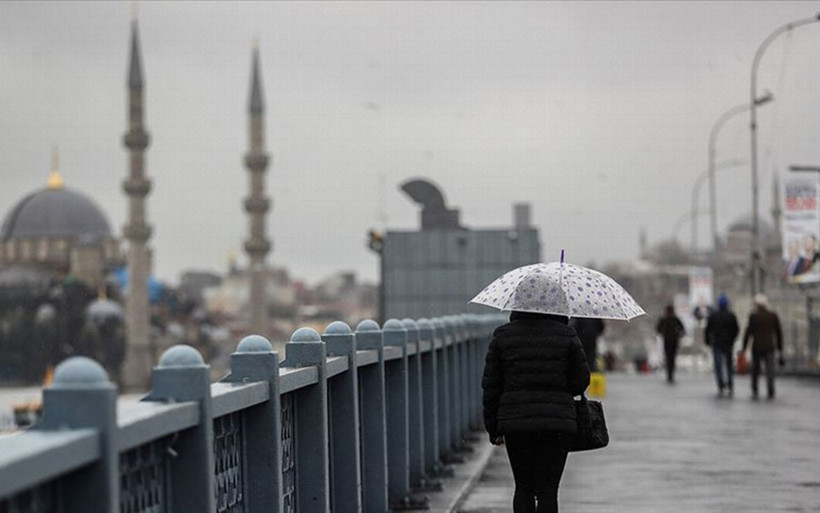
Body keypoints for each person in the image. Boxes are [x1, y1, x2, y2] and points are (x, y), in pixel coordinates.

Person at [482, 311, 590, 513]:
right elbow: (581, 380)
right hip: (557, 423)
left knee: (523, 487)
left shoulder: (503, 336)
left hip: (516, 423)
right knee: (549, 490)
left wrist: (493, 429)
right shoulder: (566, 334)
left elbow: (491, 387)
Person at [742, 294, 784, 399]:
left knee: (755, 369)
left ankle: (755, 389)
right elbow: (778, 333)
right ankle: (770, 389)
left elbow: (748, 333)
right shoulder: (773, 316)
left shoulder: (753, 316)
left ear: (757, 305)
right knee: (770, 369)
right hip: (769, 346)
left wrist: (744, 347)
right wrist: (780, 348)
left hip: (757, 346)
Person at [705, 294, 739, 397]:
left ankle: (721, 384)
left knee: (718, 365)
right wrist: (732, 339)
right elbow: (736, 329)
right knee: (729, 365)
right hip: (728, 343)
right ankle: (730, 384)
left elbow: (708, 330)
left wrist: (708, 340)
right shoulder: (731, 315)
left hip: (717, 343)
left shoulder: (713, 316)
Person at [655, 304, 685, 383]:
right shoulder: (673, 319)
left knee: (669, 358)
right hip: (672, 341)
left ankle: (670, 374)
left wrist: (663, 333)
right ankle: (670, 374)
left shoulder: (665, 319)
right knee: (671, 358)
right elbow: (682, 329)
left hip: (669, 341)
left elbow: (658, 329)